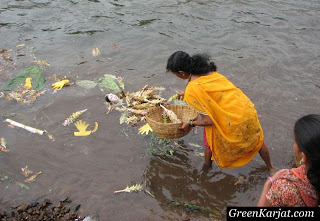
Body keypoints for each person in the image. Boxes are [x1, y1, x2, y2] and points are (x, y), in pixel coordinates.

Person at [166, 51, 273, 172]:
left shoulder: (192, 89)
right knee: (258, 142)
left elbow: (208, 121)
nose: (177, 77)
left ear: (181, 72)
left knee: (209, 144)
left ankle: (206, 169)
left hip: (230, 120)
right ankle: (270, 168)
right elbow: (211, 92)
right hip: (245, 111)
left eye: (176, 75)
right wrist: (185, 93)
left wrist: (190, 123)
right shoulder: (210, 72)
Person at [257, 114, 320, 206]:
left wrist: (268, 184)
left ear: (304, 157)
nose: (294, 145)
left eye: (295, 142)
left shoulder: (284, 187)